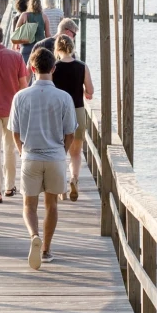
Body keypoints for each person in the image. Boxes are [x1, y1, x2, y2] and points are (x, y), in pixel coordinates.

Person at [8, 45, 76, 269]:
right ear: (53, 68)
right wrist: (61, 153)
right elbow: (70, 133)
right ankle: (46, 249)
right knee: (52, 205)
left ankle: (33, 236)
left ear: (31, 67)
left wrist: (21, 151)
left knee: (29, 205)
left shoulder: (20, 97)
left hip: (31, 156)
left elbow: (15, 132)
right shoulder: (64, 97)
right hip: (55, 156)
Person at [0, 22, 27, 202]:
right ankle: (10, 187)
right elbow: (24, 86)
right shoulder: (16, 57)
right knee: (10, 149)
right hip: (12, 110)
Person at [52, 33, 94, 202]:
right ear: (72, 47)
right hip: (77, 111)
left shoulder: (53, 67)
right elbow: (90, 91)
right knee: (76, 153)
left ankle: (61, 189)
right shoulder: (82, 66)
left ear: (57, 49)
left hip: (58, 113)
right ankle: (74, 179)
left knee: (60, 152)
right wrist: (83, 91)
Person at [14, 0, 48, 64]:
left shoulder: (24, 15)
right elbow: (48, 34)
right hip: (40, 47)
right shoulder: (44, 16)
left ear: (29, 4)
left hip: (26, 46)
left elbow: (16, 30)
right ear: (40, 5)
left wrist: (16, 43)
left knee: (25, 71)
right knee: (38, 69)